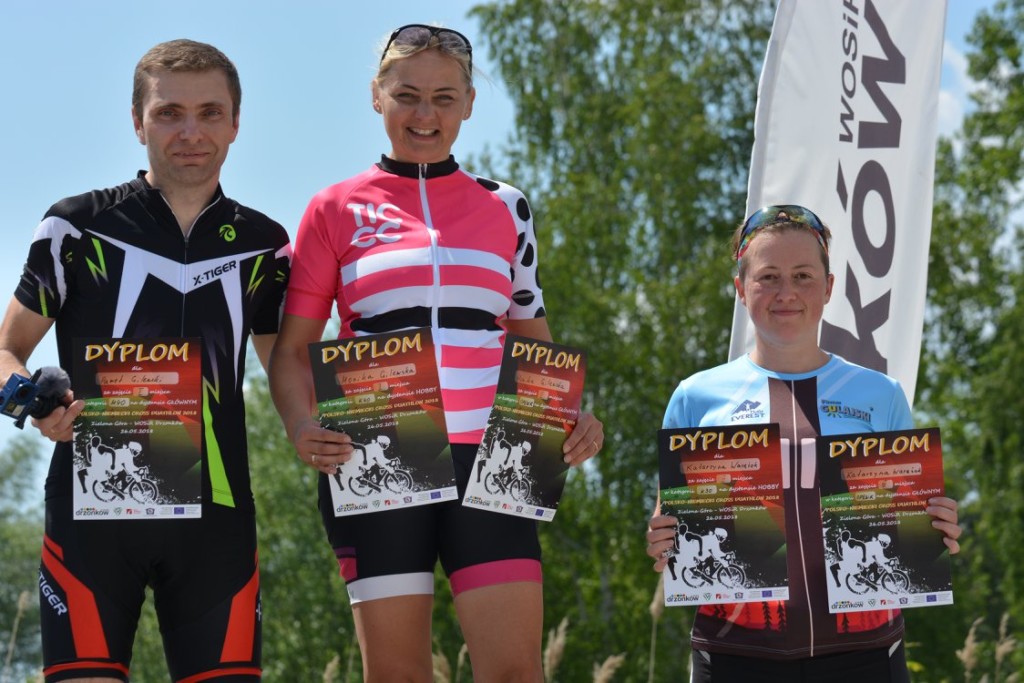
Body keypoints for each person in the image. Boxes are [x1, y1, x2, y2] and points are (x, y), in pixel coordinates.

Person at [268, 24, 603, 682]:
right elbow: (293, 351)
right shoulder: (334, 207)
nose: (425, 114)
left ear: (469, 103)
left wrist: (572, 413)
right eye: (408, 96)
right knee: (398, 675)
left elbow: (532, 339)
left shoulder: (507, 206)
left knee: (515, 674)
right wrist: (300, 424)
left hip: (501, 452)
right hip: (377, 444)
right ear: (377, 96)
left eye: (444, 97)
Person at [0, 39, 291, 682]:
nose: (191, 132)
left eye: (210, 112)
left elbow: (288, 368)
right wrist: (28, 399)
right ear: (138, 122)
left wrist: (344, 425)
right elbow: (5, 350)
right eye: (168, 113)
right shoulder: (75, 227)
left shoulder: (266, 246)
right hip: (92, 515)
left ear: (235, 123)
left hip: (217, 522)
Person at [644, 206, 961, 682]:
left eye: (803, 276)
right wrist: (660, 539)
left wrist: (935, 525)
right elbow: (666, 524)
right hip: (734, 653)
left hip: (867, 652)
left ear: (828, 288)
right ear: (740, 288)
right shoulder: (695, 397)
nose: (786, 292)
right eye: (768, 276)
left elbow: (909, 524)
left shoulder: (881, 395)